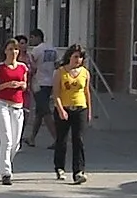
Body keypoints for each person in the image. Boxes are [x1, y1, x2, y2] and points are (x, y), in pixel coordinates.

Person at [0, 37, 30, 184]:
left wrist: (21, 85)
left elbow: (25, 85)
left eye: (16, 49)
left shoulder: (23, 67)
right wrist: (6, 85)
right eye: (10, 49)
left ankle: (6, 163)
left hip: (18, 107)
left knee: (16, 143)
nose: (13, 52)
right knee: (6, 139)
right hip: (2, 105)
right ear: (5, 51)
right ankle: (6, 173)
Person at [51, 44, 93, 184]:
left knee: (78, 140)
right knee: (62, 140)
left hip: (80, 107)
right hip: (64, 108)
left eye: (80, 57)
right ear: (69, 56)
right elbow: (56, 93)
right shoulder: (60, 72)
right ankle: (59, 167)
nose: (78, 60)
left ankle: (78, 171)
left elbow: (87, 92)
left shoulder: (85, 73)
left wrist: (89, 111)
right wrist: (61, 109)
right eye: (75, 56)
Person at [23, 29, 62, 148]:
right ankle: (32, 138)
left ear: (38, 37)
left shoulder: (36, 50)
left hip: (39, 83)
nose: (31, 40)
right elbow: (57, 64)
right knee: (39, 112)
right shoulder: (53, 48)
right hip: (50, 82)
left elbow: (32, 65)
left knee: (45, 111)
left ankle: (58, 139)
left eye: (32, 37)